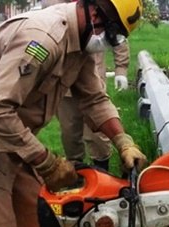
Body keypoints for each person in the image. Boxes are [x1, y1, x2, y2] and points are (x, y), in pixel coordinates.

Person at [0, 0, 146, 227]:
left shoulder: (82, 43)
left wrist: (123, 141)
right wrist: (47, 163)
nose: (108, 42)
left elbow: (93, 98)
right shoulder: (42, 40)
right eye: (110, 33)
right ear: (94, 11)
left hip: (12, 143)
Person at [42, 0, 130, 171]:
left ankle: (102, 169)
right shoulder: (53, 4)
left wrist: (121, 69)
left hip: (92, 78)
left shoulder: (99, 4)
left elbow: (117, 32)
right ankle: (77, 172)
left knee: (98, 130)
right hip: (63, 81)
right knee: (69, 131)